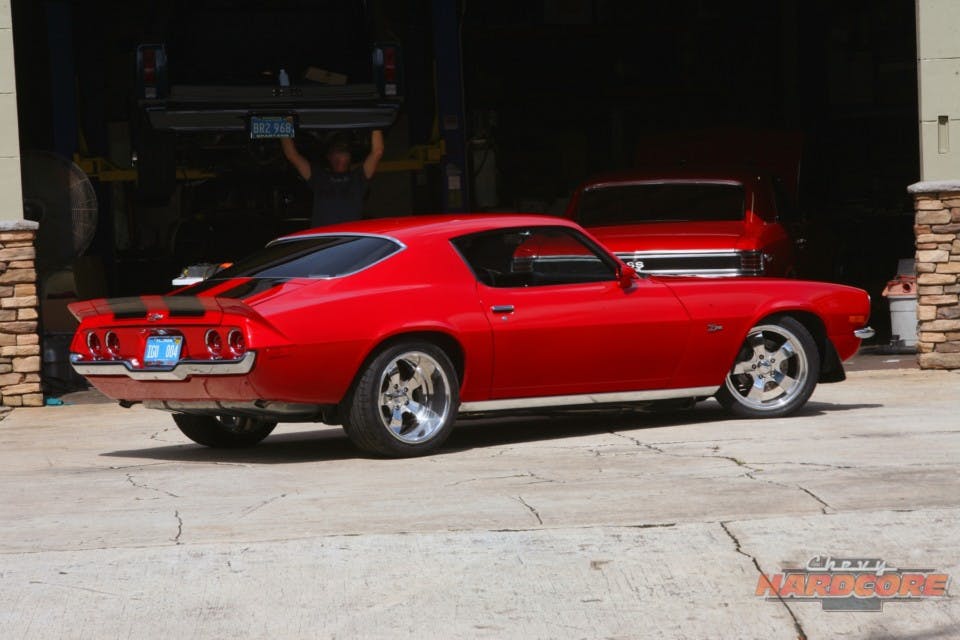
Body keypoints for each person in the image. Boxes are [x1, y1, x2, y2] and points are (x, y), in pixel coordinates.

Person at [281, 130, 384, 227]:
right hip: (323, 239)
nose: (340, 156)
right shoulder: (319, 176)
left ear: (350, 157)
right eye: (337, 152)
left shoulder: (359, 177)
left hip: (348, 240)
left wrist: (376, 122)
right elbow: (292, 155)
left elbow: (377, 152)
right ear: (329, 157)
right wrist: (281, 124)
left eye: (343, 152)